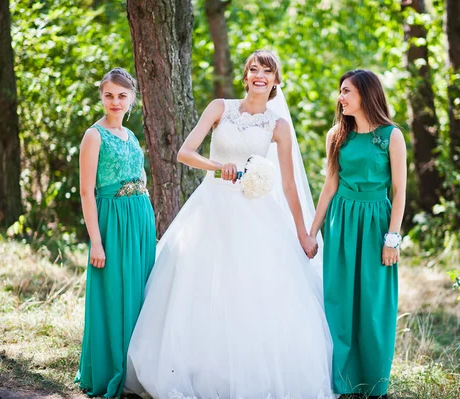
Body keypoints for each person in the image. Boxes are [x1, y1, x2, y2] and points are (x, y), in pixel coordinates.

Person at [124, 50, 333, 399]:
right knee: (197, 286)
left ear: (276, 80)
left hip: (257, 213)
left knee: (255, 291)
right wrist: (216, 167)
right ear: (246, 76)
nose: (259, 76)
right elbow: (184, 152)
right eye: (253, 69)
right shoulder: (221, 108)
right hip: (211, 207)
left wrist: (302, 233)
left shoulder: (279, 127)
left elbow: (289, 185)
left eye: (267, 71)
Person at [309, 69, 407, 399]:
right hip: (341, 220)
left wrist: (392, 238)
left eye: (346, 91)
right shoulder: (337, 134)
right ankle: (343, 381)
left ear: (366, 93)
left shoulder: (391, 135)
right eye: (341, 91)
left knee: (375, 302)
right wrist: (312, 233)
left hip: (377, 222)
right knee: (339, 299)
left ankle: (374, 382)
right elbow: (330, 185)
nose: (341, 97)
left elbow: (399, 190)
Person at [75, 67, 156, 398]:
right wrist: (96, 240)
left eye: (122, 96)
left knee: (139, 291)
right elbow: (86, 192)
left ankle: (137, 369)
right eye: (109, 95)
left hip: (139, 218)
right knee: (114, 292)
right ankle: (111, 369)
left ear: (132, 99)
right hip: (112, 221)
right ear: (101, 96)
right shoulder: (94, 136)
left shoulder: (131, 136)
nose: (115, 101)